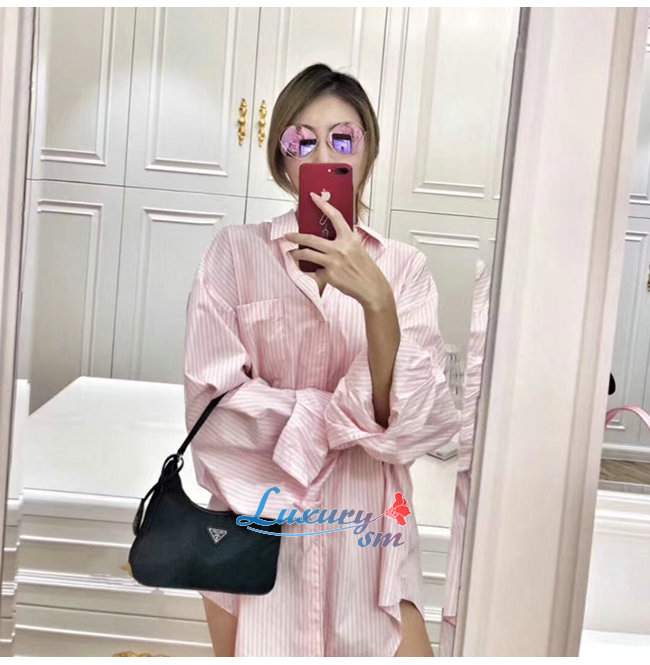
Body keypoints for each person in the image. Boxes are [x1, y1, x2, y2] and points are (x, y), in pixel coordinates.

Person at [184, 63, 462, 657]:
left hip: (370, 532)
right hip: (255, 524)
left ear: (367, 151)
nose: (323, 155)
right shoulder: (235, 254)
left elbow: (412, 428)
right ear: (282, 157)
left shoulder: (404, 270)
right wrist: (342, 423)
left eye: (342, 139)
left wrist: (378, 303)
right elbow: (212, 409)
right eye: (302, 141)